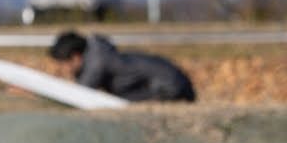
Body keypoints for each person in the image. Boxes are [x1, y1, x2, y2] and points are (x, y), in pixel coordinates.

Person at [47, 31, 196, 102]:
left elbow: (80, 94)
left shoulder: (98, 61)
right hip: (169, 80)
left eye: (64, 64)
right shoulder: (97, 53)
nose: (63, 69)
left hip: (170, 87)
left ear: (76, 57)